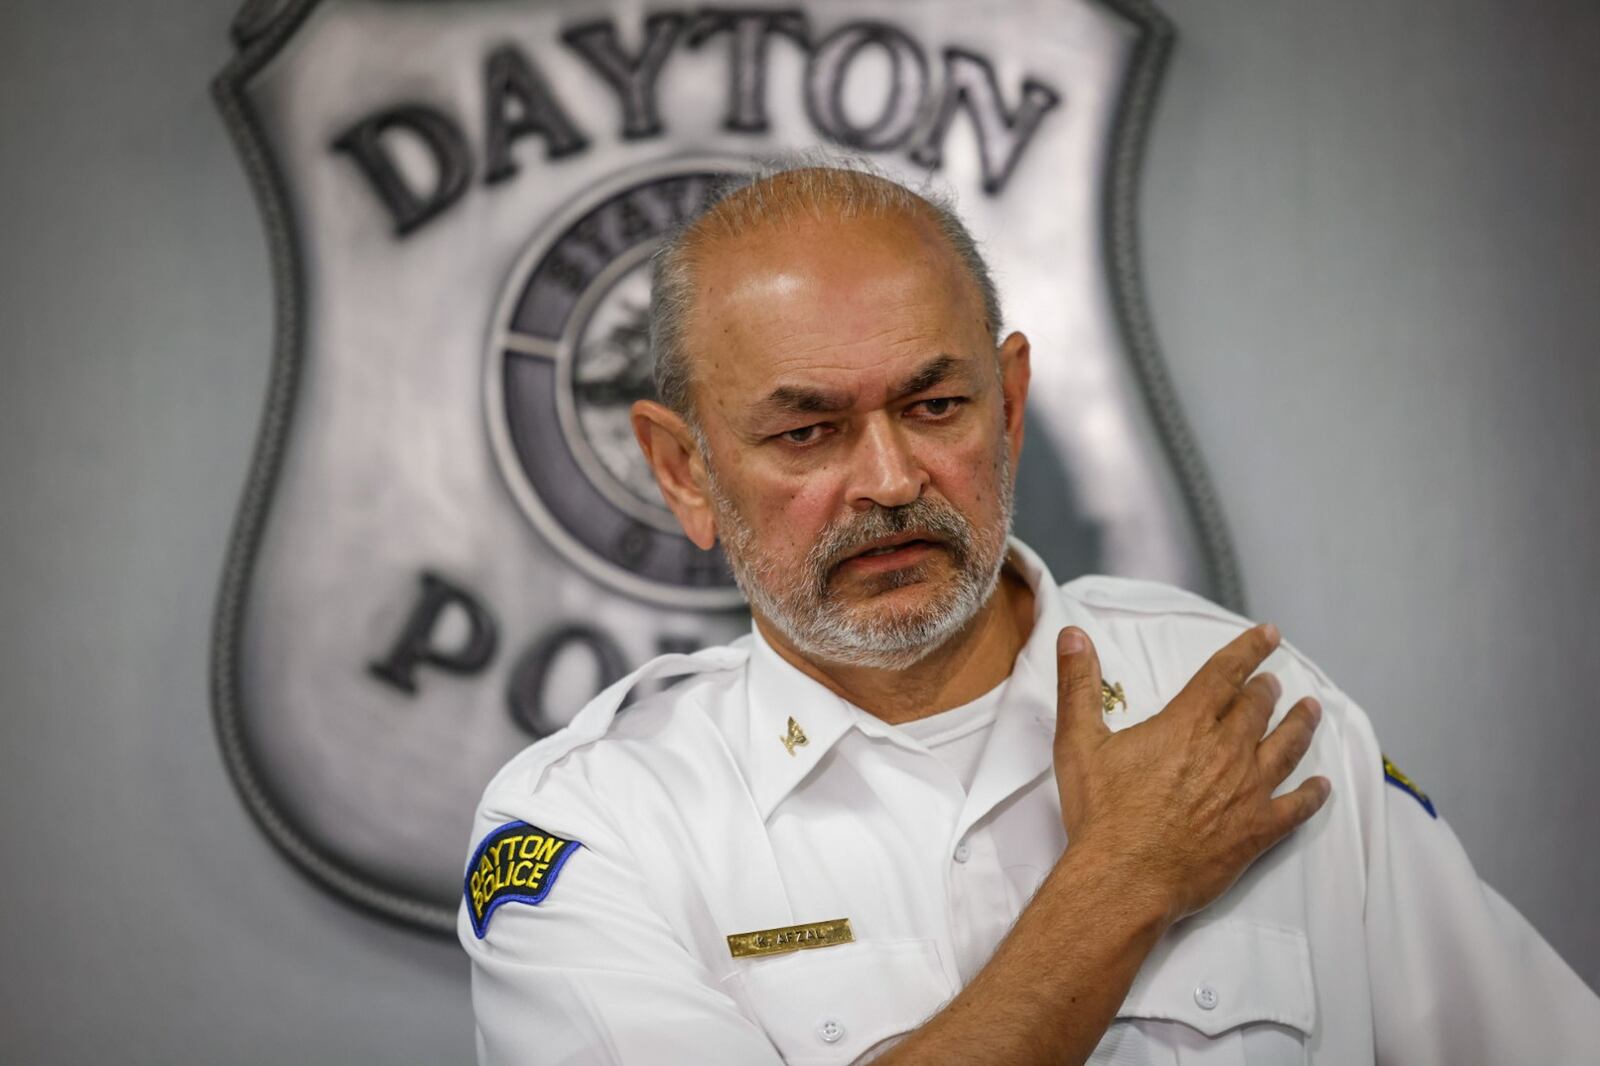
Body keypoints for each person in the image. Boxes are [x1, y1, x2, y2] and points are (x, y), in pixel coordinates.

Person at [458, 160, 1600, 1064]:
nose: (891, 478)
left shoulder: (1240, 712)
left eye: (936, 403)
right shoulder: (598, 824)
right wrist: (1124, 878)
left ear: (1006, 402)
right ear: (684, 470)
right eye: (806, 431)